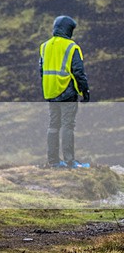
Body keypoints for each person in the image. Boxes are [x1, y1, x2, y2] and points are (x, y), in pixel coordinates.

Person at [40, 15, 90, 169]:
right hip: (68, 93)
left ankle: (53, 161)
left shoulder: (45, 46)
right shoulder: (71, 47)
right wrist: (85, 90)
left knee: (53, 125)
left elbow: (41, 70)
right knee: (68, 126)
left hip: (50, 92)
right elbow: (78, 72)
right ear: (68, 29)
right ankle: (70, 162)